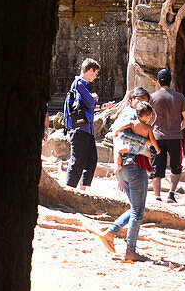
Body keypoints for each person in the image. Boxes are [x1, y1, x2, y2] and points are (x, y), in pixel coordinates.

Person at [96, 87, 154, 262]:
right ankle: (128, 248)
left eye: (146, 101)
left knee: (135, 209)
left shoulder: (126, 114)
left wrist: (118, 165)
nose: (144, 103)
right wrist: (146, 145)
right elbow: (122, 136)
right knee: (138, 211)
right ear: (132, 98)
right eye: (141, 99)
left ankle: (112, 234)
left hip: (124, 168)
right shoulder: (131, 116)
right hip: (133, 166)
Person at [150, 69, 185, 202]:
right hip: (175, 137)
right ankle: (171, 194)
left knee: (156, 167)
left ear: (158, 82)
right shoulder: (180, 97)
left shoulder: (152, 97)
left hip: (157, 137)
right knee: (176, 166)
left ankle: (157, 196)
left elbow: (146, 117)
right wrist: (178, 128)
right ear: (171, 81)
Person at [64, 58, 100, 191]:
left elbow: (88, 106)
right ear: (90, 70)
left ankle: (82, 189)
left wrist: (99, 105)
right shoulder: (79, 83)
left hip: (87, 129)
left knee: (91, 159)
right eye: (95, 73)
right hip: (80, 129)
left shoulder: (84, 85)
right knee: (77, 160)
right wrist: (94, 98)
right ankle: (69, 190)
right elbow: (90, 102)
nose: (95, 76)